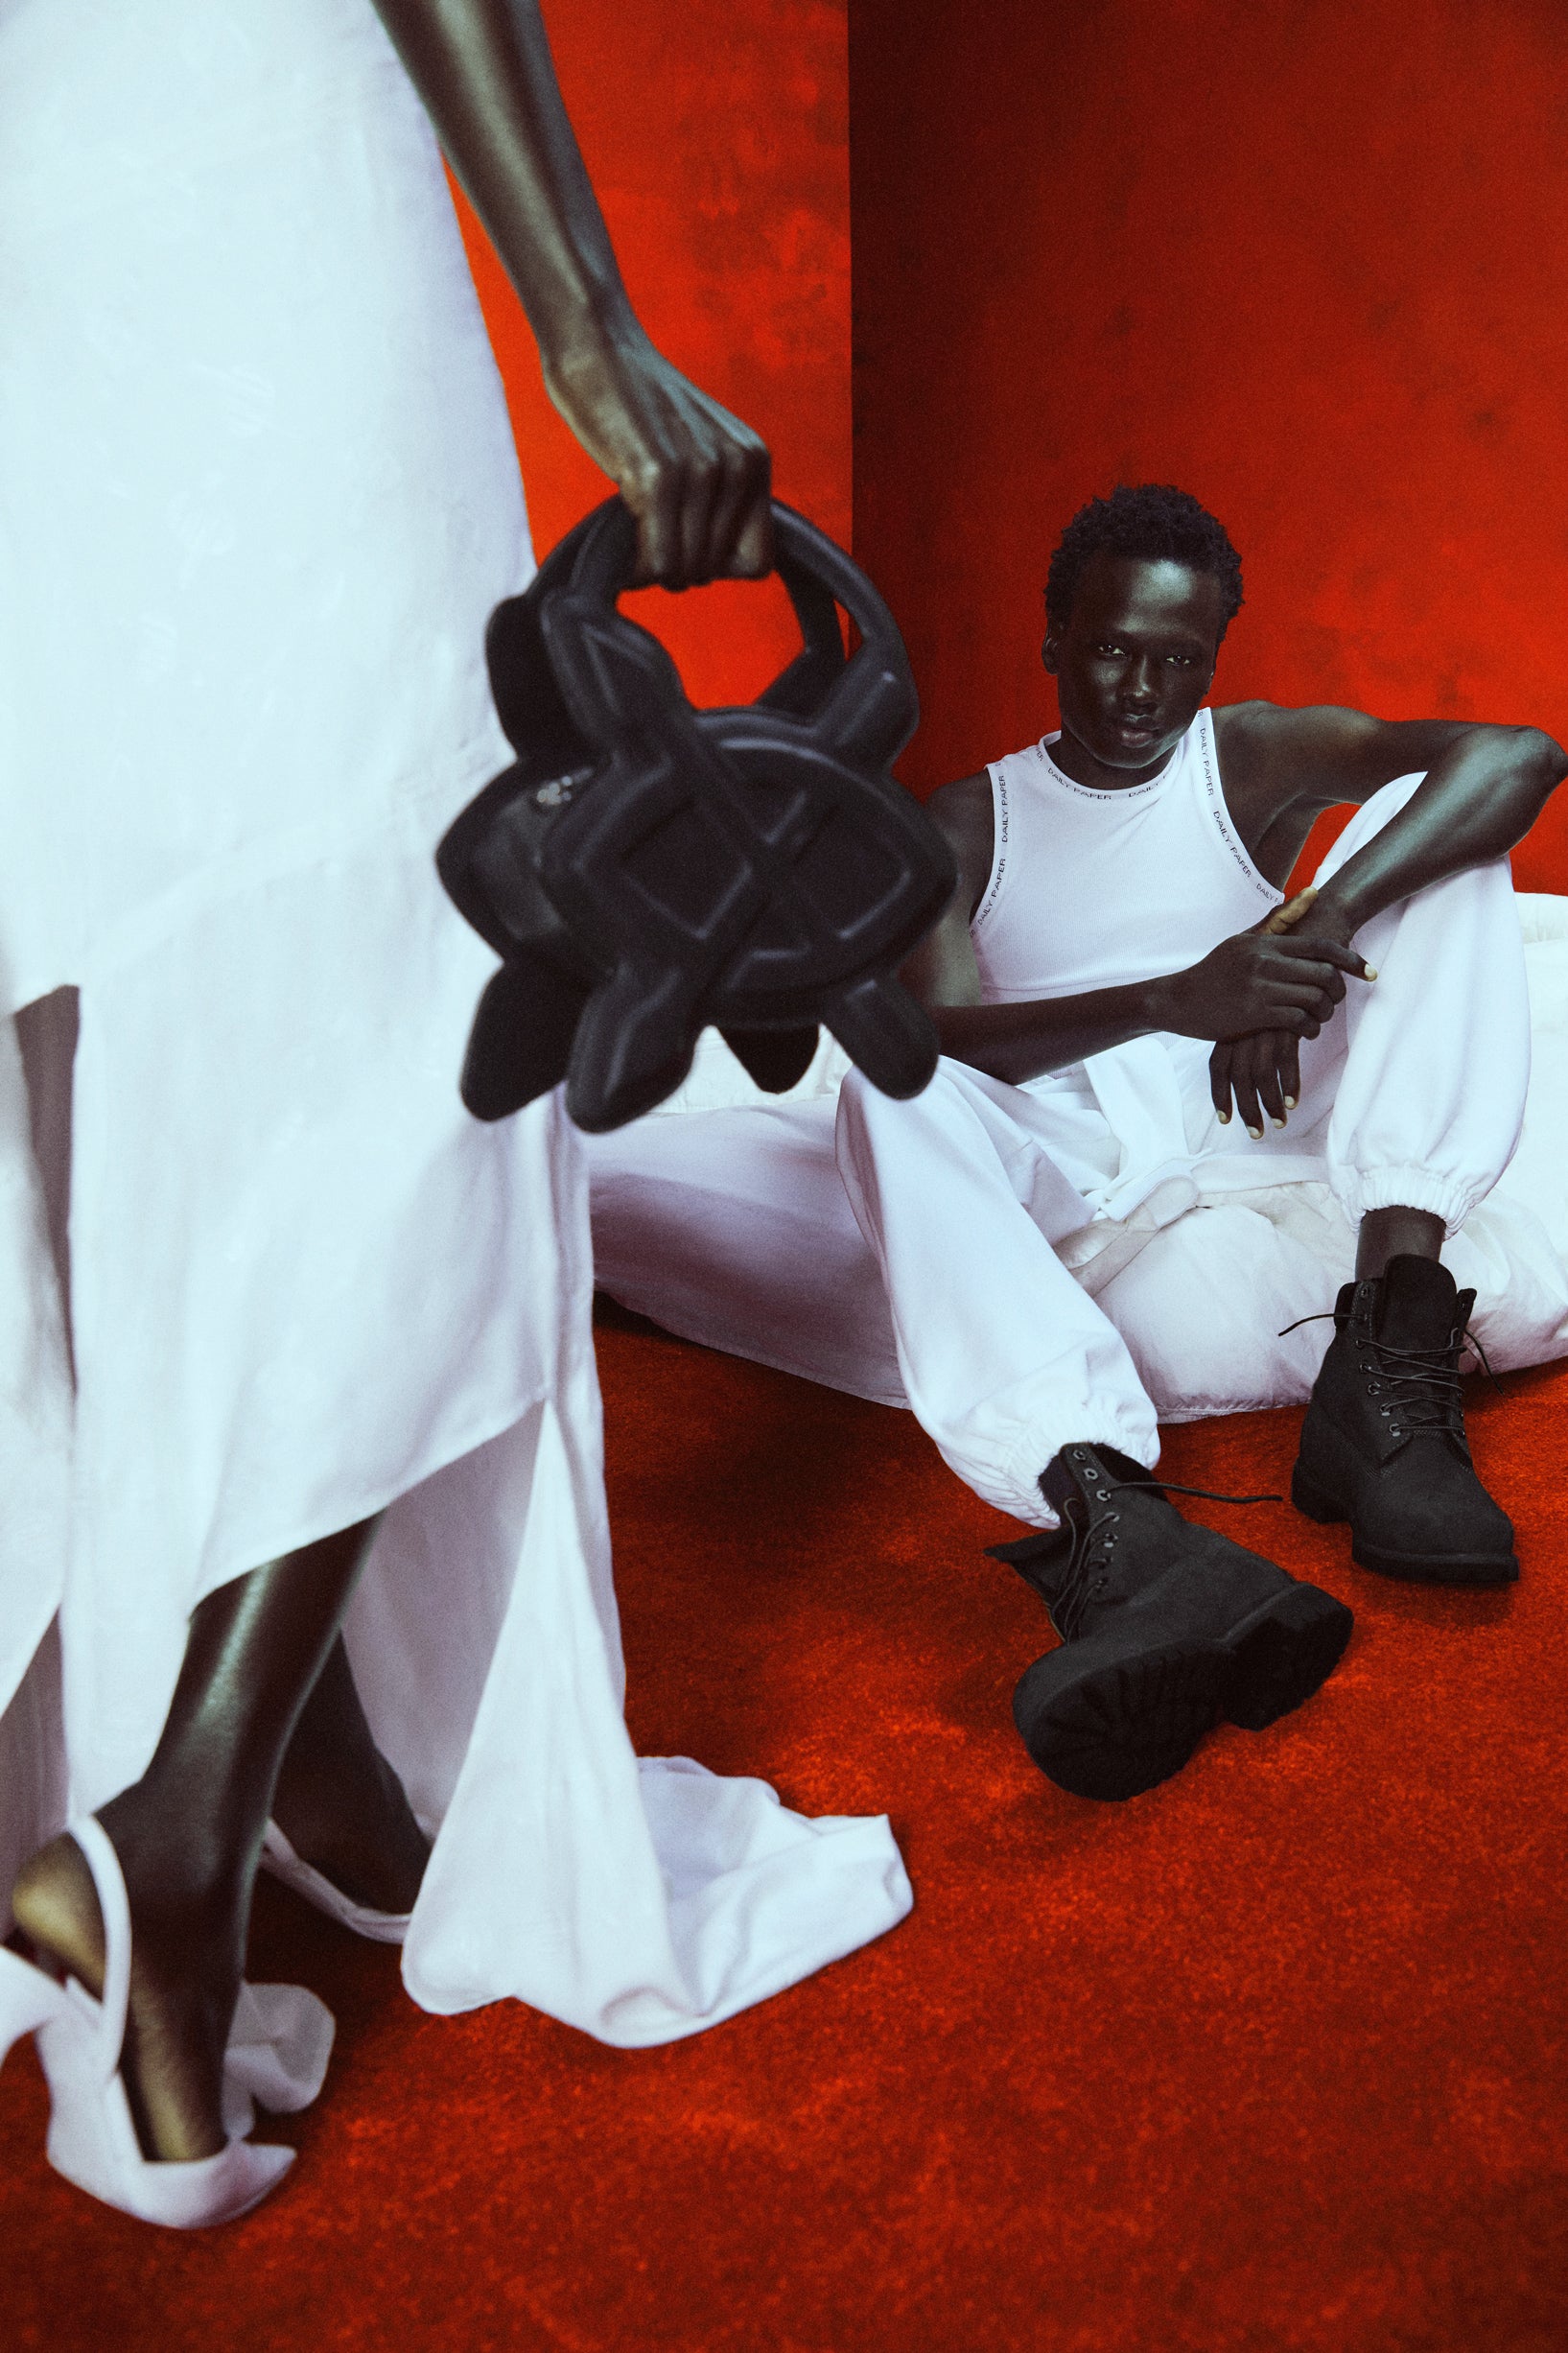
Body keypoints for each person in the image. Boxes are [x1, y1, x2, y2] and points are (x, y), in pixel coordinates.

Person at [0, 0, 909, 2228]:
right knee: (432, 982)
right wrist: (585, 323)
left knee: (120, 1000)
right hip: (253, 167)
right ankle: (177, 1831)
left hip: (43, 202)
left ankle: (282, 1772)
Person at [585, 483, 1568, 1804]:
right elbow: (947, 1044)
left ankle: (1389, 1352)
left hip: (1256, 1100)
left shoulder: (1247, 757)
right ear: (1053, 640)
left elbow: (1519, 753)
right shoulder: (966, 820)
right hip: (1066, 1147)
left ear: (1213, 659)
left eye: (1178, 658)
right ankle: (1117, 1525)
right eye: (1110, 649)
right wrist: (1170, 999)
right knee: (884, 1082)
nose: (1142, 689)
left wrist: (1308, 929)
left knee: (1448, 833)